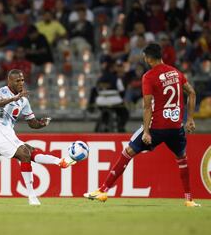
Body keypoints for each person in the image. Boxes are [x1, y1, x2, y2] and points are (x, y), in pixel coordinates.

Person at [84, 43, 201, 207]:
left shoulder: (149, 76)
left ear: (148, 58)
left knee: (127, 152)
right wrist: (190, 119)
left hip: (156, 127)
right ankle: (189, 200)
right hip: (176, 128)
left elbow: (147, 106)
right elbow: (192, 92)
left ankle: (103, 190)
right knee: (182, 159)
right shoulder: (176, 72)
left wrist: (146, 131)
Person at [0, 69, 74, 206]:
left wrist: (42, 123)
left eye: (22, 80)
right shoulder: (2, 92)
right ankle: (32, 196)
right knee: (24, 153)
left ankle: (60, 162)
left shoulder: (24, 101)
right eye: (17, 81)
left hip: (7, 132)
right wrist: (13, 99)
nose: (21, 83)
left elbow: (32, 124)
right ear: (10, 81)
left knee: (30, 151)